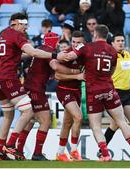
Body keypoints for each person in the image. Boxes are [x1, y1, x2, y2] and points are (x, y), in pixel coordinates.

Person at [57, 24, 130, 162]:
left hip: (94, 91)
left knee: (96, 126)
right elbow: (112, 70)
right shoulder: (112, 50)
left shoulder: (87, 47)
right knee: (122, 122)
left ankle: (105, 154)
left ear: (95, 34)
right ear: (107, 36)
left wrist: (56, 55)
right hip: (109, 89)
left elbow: (68, 57)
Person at [0, 12, 62, 160]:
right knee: (28, 112)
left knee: (8, 116)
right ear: (15, 23)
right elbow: (33, 51)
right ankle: (10, 145)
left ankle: (0, 151)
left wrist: (31, 55)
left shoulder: (3, 34)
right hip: (8, 78)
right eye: (24, 24)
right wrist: (54, 55)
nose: (26, 27)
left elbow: (16, 55)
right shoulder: (17, 35)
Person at [16, 32, 82, 161]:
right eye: (57, 42)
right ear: (55, 42)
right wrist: (76, 71)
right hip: (36, 89)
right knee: (46, 120)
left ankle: (18, 150)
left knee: (30, 120)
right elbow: (55, 66)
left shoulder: (40, 49)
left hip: (29, 87)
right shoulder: (49, 51)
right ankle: (37, 153)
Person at [55, 31, 85, 162]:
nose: (75, 45)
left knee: (67, 122)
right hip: (64, 89)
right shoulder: (66, 54)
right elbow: (57, 75)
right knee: (78, 117)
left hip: (77, 91)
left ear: (83, 43)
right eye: (73, 42)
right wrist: (76, 76)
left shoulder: (85, 53)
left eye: (78, 43)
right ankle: (73, 150)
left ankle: (60, 153)